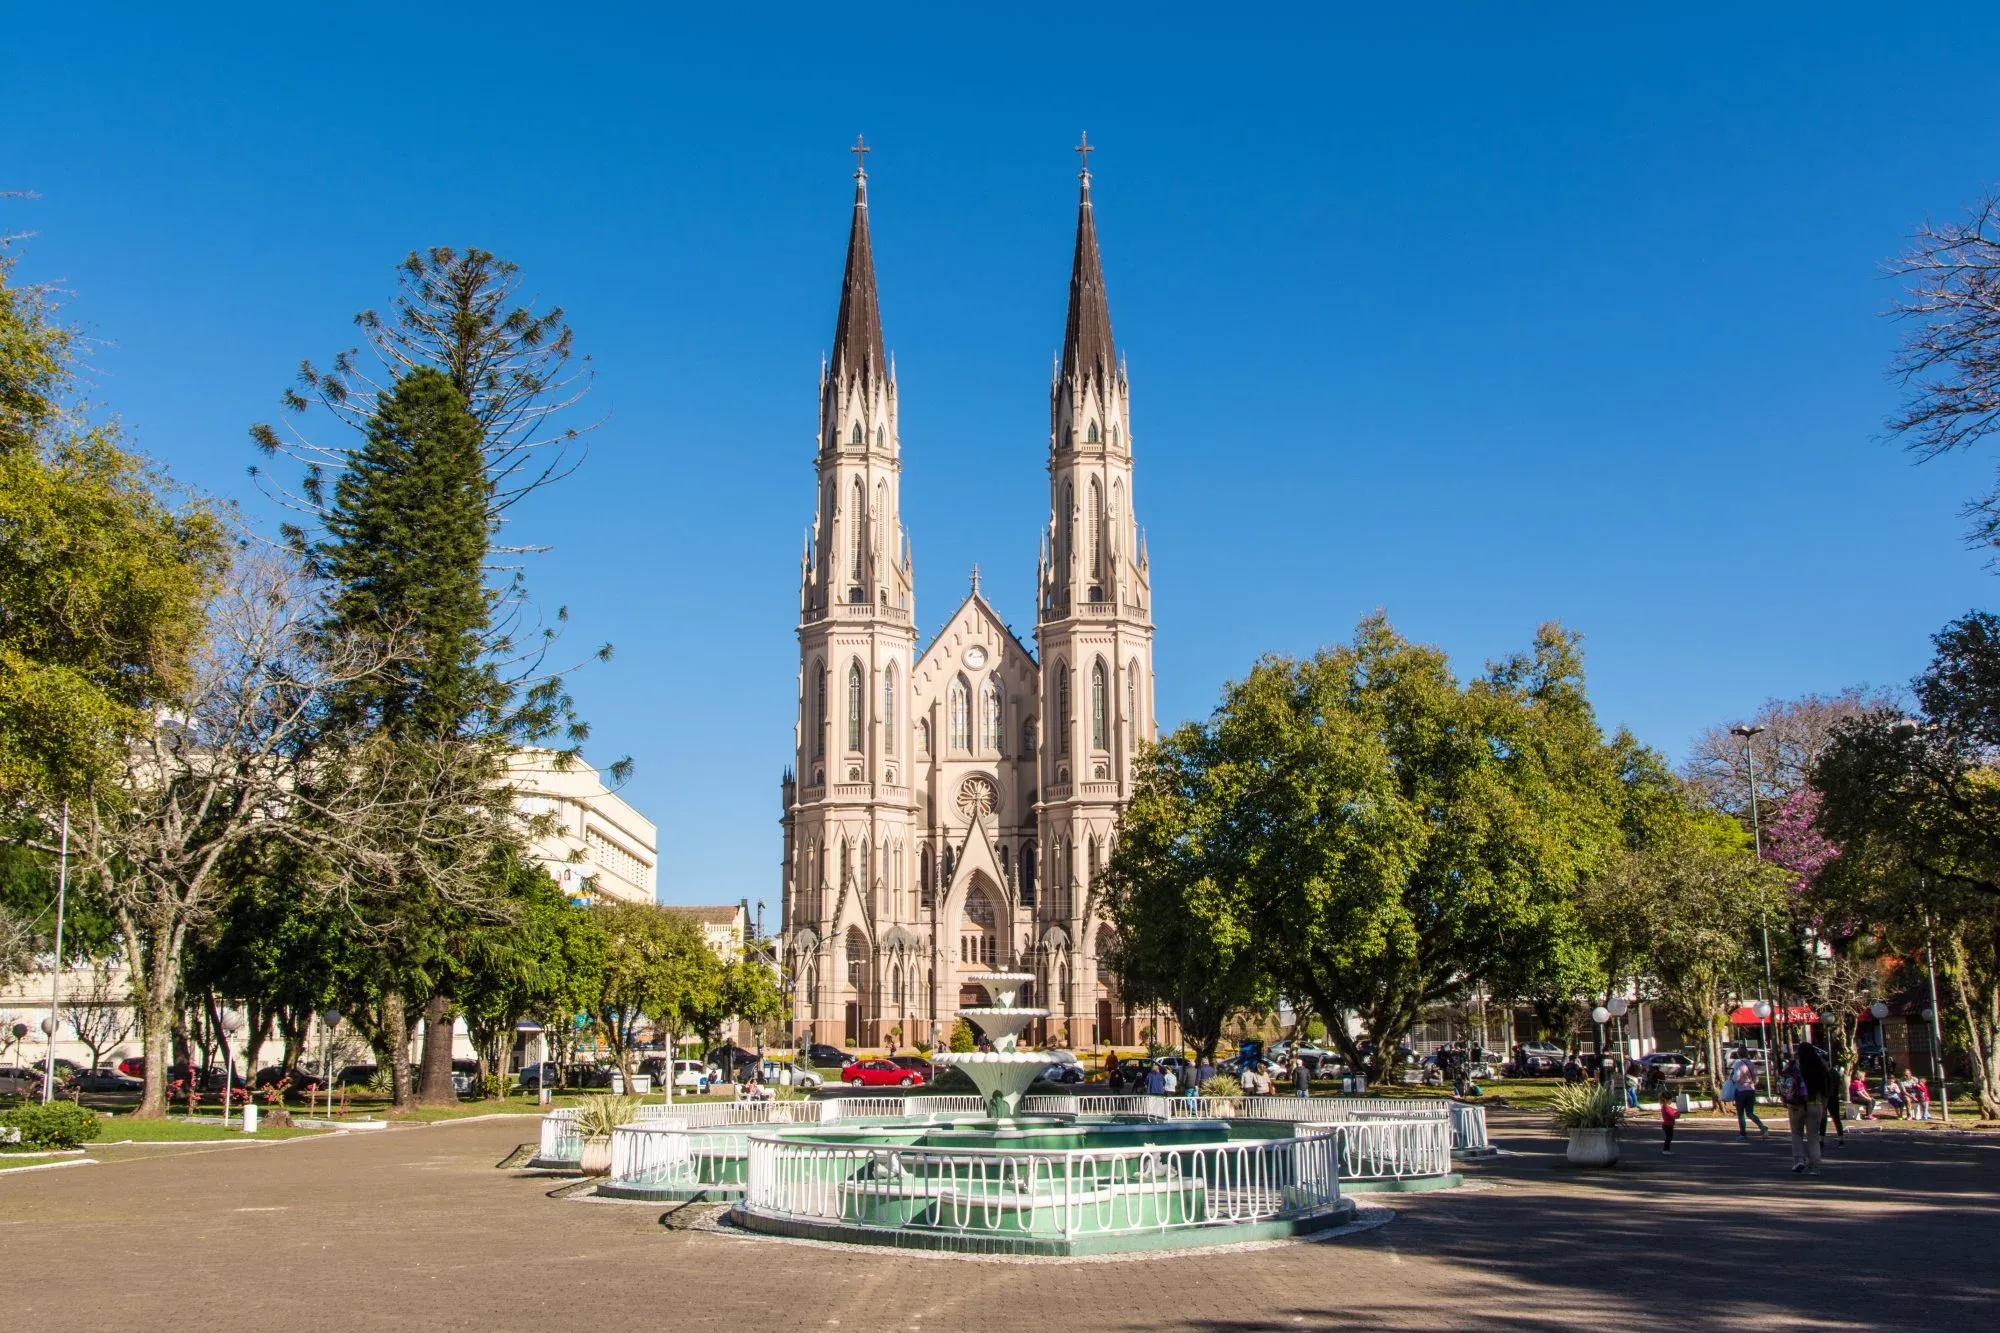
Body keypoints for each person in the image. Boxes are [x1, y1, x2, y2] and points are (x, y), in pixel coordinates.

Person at [1786, 1041, 1832, 1176]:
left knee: (1796, 1134)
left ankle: (1799, 1160)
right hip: (1815, 1104)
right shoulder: (1820, 1066)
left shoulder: (1793, 1067)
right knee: (1813, 1135)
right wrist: (1824, 1106)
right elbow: (1826, 1089)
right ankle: (1815, 1165)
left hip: (1795, 1105)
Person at [1731, 1053, 1769, 1138]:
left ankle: (1743, 1133)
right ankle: (1762, 1127)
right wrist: (1752, 1084)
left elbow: (1736, 1077)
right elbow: (1756, 1078)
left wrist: (1732, 1079)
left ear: (1739, 1054)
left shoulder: (1738, 1063)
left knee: (1741, 1113)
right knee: (1750, 1112)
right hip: (1751, 1090)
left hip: (1741, 1090)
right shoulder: (1751, 1064)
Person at [1660, 1083, 1680, 1154]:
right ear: (1668, 1099)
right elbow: (1671, 1116)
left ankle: (1666, 1150)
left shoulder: (1664, 1107)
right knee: (1669, 1137)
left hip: (1667, 1124)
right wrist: (1677, 1115)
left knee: (1669, 1137)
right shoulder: (1667, 1108)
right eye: (1671, 1099)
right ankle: (1666, 1150)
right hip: (1668, 1124)